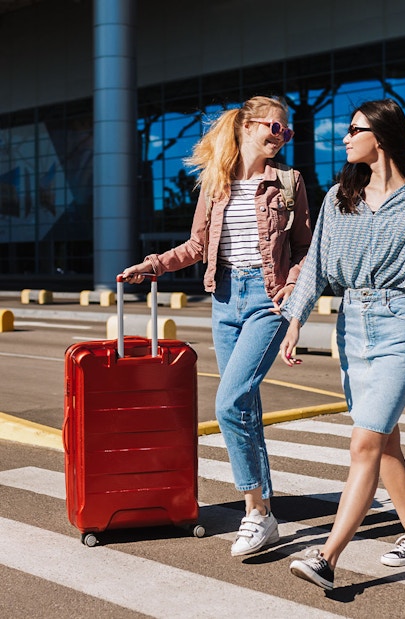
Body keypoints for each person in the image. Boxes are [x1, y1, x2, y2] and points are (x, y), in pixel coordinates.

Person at [122, 95, 312, 556]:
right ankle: (263, 511)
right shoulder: (217, 183)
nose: (282, 136)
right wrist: (153, 265)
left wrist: (293, 286)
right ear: (247, 128)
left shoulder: (289, 182)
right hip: (224, 299)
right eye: (275, 127)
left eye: (287, 131)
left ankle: (256, 513)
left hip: (268, 301)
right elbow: (196, 244)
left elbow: (308, 248)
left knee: (228, 402)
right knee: (244, 408)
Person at [279, 98, 405, 590]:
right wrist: (295, 320)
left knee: (364, 442)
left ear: (381, 136)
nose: (345, 138)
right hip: (351, 324)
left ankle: (327, 558)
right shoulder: (339, 197)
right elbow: (315, 264)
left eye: (354, 130)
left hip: (399, 326)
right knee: (386, 440)